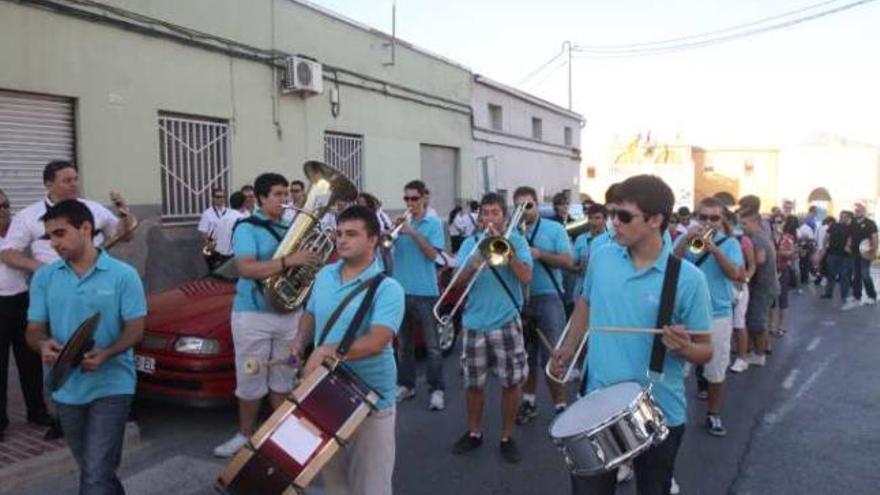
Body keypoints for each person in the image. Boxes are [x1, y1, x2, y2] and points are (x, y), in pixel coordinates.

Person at [551, 174, 712, 495]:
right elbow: (586, 303)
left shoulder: (688, 279)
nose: (614, 224)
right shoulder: (603, 257)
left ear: (655, 220)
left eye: (624, 216)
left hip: (659, 410)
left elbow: (706, 350)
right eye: (612, 215)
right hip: (597, 404)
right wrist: (568, 347)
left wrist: (683, 347)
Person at [1, 160, 133, 439]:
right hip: (53, 291)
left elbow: (123, 237)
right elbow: (8, 252)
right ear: (49, 183)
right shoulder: (28, 216)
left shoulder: (94, 209)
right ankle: (63, 414)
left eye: (76, 179)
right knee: (58, 348)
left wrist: (124, 216)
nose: (74, 184)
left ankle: (106, 404)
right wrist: (40, 269)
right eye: (67, 180)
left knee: (99, 341)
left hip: (97, 283)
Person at [25, 199, 147, 495]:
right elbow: (34, 329)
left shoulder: (123, 275)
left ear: (86, 228)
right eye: (49, 236)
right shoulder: (44, 277)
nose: (53, 243)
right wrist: (42, 344)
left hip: (113, 385)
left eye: (60, 233)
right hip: (65, 388)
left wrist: (106, 353)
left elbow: (135, 329)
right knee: (95, 470)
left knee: (94, 476)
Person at [288, 205, 404, 495]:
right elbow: (311, 314)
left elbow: (379, 339)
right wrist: (300, 341)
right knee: (333, 481)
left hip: (370, 397)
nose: (342, 240)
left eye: (352, 234)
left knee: (371, 485)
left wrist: (327, 351)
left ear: (373, 239)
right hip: (324, 390)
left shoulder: (388, 288)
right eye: (339, 233)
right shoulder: (325, 275)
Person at [212, 173, 321, 458]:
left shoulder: (291, 227)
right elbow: (246, 269)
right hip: (253, 316)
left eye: (286, 194)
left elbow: (304, 270)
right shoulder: (246, 228)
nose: (285, 200)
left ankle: (283, 436)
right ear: (260, 198)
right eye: (278, 194)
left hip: (288, 314)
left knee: (284, 377)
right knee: (250, 377)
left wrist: (309, 261)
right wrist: (289, 260)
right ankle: (244, 435)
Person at [450, 192, 532, 464]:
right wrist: (473, 264)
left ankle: (507, 436)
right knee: (473, 384)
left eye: (494, 213)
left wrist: (508, 252)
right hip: (474, 324)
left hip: (506, 321)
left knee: (511, 383)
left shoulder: (517, 241)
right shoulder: (469, 245)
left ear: (504, 216)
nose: (489, 218)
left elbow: (526, 277)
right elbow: (456, 284)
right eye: (484, 213)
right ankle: (474, 432)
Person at [673, 197, 743, 436]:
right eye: (703, 217)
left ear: (721, 219)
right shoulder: (692, 241)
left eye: (714, 218)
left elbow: (736, 273)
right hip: (686, 314)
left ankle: (713, 414)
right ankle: (673, 415)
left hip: (718, 313)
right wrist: (685, 239)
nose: (708, 222)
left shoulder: (730, 243)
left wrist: (715, 250)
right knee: (677, 368)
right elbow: (673, 264)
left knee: (716, 369)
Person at [514, 186, 572, 423]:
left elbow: (568, 261)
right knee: (526, 356)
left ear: (537, 204)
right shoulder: (512, 232)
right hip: (521, 298)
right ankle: (528, 402)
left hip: (548, 296)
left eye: (528, 205)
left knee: (553, 354)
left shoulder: (554, 228)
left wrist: (540, 254)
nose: (524, 211)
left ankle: (560, 405)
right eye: (519, 207)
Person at [390, 180, 447, 410]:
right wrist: (390, 236)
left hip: (425, 292)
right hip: (401, 291)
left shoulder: (433, 224)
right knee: (404, 346)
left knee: (433, 347)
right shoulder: (401, 225)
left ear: (424, 198)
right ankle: (407, 385)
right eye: (406, 199)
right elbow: (388, 250)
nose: (410, 203)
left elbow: (434, 255)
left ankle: (436, 389)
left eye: (414, 198)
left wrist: (412, 232)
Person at [0, 189, 51, 441]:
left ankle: (37, 411)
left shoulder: (21, 228)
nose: (2, 210)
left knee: (30, 359)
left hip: (22, 299)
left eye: (5, 204)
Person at [739, 208, 779, 367]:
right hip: (762, 286)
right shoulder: (759, 237)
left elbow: (760, 260)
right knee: (755, 320)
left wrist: (745, 264)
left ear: (755, 223)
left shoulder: (758, 239)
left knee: (757, 322)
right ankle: (756, 351)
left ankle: (759, 355)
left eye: (744, 223)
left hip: (763, 286)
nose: (741, 227)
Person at [769, 215, 797, 337]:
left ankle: (781, 326)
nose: (777, 224)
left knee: (783, 298)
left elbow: (791, 254)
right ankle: (770, 325)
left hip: (782, 270)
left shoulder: (788, 238)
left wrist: (776, 252)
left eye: (779, 222)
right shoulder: (768, 237)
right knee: (770, 299)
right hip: (770, 270)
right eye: (774, 222)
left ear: (784, 223)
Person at [198, 188, 235, 269]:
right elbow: (203, 232)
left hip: (228, 248)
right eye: (218, 197)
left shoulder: (230, 212)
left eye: (222, 197)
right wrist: (210, 244)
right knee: (214, 271)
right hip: (214, 248)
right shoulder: (207, 213)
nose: (220, 199)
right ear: (213, 198)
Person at [849, 201, 878, 306]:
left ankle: (872, 296)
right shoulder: (852, 222)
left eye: (859, 210)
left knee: (865, 275)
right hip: (855, 253)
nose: (856, 212)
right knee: (856, 275)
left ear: (864, 211)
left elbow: (875, 238)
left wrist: (874, 251)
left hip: (865, 253)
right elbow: (850, 236)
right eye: (855, 210)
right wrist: (848, 246)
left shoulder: (870, 223)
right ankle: (857, 296)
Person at [825, 211, 854, 306]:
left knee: (844, 276)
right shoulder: (834, 226)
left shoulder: (851, 228)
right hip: (832, 253)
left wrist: (848, 246)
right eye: (841, 216)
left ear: (848, 218)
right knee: (830, 274)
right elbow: (827, 236)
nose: (843, 218)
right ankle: (828, 293)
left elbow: (851, 239)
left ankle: (844, 295)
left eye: (845, 217)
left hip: (845, 255)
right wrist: (825, 245)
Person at [212, 191, 249, 260]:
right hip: (233, 259)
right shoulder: (242, 219)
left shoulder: (222, 218)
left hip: (218, 257)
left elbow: (213, 238)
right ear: (244, 203)